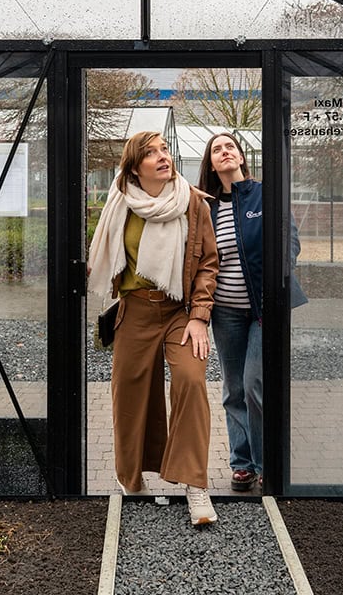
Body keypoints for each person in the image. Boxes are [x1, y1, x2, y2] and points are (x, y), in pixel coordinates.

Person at [87, 131, 220, 526]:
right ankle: (131, 480)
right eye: (151, 153)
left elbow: (208, 263)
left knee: (192, 381)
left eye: (164, 149)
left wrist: (199, 316)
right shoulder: (120, 201)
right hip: (135, 310)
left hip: (179, 310)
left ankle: (195, 485)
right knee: (129, 393)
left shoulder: (192, 202)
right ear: (134, 166)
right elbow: (106, 256)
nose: (163, 156)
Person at [197, 132, 308, 492]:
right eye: (217, 149)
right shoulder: (207, 207)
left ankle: (265, 462)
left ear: (242, 157)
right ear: (211, 164)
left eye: (230, 146)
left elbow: (290, 239)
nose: (224, 152)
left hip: (264, 310)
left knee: (253, 384)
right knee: (233, 389)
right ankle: (241, 463)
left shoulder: (265, 193)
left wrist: (279, 276)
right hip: (226, 312)